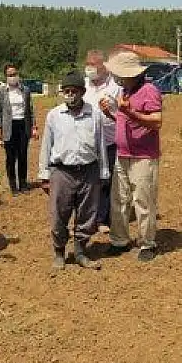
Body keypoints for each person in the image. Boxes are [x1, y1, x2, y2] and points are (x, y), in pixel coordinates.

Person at [38, 71, 110, 270]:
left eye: (74, 91)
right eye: (66, 91)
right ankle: (59, 252)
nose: (70, 95)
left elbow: (101, 145)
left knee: (88, 214)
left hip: (89, 171)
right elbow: (46, 146)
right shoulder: (54, 116)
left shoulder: (94, 114)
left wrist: (104, 173)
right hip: (62, 173)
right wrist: (44, 175)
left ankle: (80, 250)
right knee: (59, 214)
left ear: (82, 92)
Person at [102, 52, 163, 263]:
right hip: (122, 154)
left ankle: (147, 243)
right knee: (119, 199)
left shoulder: (149, 91)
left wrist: (128, 113)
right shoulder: (124, 91)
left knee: (142, 201)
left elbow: (156, 121)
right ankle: (119, 240)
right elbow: (124, 121)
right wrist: (110, 114)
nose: (116, 77)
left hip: (143, 157)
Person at [83, 50, 123, 230]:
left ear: (104, 66)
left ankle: (103, 218)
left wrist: (110, 112)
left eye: (93, 65)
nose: (89, 69)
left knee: (106, 180)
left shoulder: (115, 88)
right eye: (87, 64)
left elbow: (122, 116)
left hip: (109, 141)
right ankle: (88, 216)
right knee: (89, 180)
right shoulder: (83, 86)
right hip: (86, 141)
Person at [0, 64, 37, 196]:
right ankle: (13, 186)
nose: (13, 77)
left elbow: (31, 110)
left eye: (15, 74)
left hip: (23, 125)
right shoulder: (1, 91)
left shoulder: (25, 90)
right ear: (6, 77)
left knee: (23, 155)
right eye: (10, 75)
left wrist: (34, 127)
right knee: (11, 158)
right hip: (9, 126)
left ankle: (23, 184)